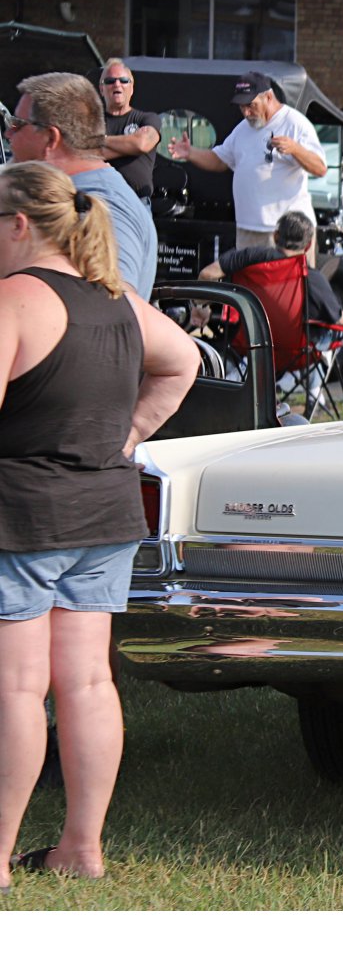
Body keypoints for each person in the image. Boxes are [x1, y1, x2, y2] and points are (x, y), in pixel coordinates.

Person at [0, 162, 199, 892]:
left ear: (19, 224)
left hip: (22, 515)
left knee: (16, 690)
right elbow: (183, 361)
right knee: (86, 682)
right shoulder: (118, 299)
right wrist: (128, 434)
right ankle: (81, 848)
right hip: (104, 512)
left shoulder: (13, 300)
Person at [6, 72, 158, 299]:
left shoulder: (105, 205)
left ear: (51, 139)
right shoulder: (78, 194)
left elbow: (116, 303)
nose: (8, 132)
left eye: (17, 124)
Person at [167, 70, 326, 259]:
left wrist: (296, 149)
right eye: (241, 107)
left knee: (288, 279)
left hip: (286, 233)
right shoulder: (243, 129)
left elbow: (320, 168)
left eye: (251, 105)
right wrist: (191, 153)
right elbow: (220, 160)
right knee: (246, 279)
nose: (246, 112)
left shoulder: (295, 123)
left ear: (268, 97)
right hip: (247, 230)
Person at [199, 210, 343, 329]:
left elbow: (207, 274)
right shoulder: (312, 278)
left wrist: (200, 306)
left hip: (245, 349)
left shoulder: (247, 257)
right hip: (294, 354)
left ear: (276, 236)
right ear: (308, 245)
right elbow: (341, 321)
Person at [96, 58, 162, 205]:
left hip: (137, 202)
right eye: (110, 81)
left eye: (124, 80)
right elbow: (86, 154)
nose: (117, 84)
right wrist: (130, 146)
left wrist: (100, 140)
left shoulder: (147, 118)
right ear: (101, 89)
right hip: (100, 202)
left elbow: (142, 144)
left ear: (131, 88)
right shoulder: (92, 122)